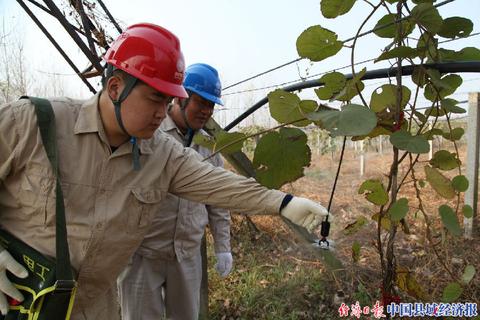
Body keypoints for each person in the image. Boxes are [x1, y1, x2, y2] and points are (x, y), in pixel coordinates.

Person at [0, 23, 330, 320]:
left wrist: (284, 203)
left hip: (94, 307)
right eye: (156, 99)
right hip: (17, 302)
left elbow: (219, 185)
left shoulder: (163, 154)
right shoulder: (34, 124)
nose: (162, 113)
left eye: (168, 100)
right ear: (115, 88)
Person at [117, 63, 233, 320]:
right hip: (142, 254)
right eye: (201, 103)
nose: (206, 111)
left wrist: (223, 247)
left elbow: (219, 201)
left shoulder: (208, 148)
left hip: (187, 255)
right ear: (181, 98)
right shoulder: (149, 133)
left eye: (211, 105)